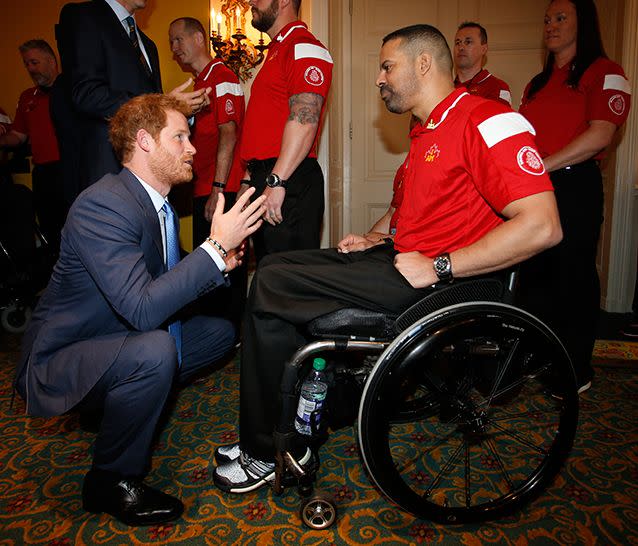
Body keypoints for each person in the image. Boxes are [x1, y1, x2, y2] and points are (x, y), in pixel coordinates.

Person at [212, 23, 563, 494]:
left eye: (386, 66)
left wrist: (440, 265)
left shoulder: (489, 119)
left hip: (444, 283)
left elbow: (543, 225)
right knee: (273, 269)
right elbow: (420, 218)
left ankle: (265, 452)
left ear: (422, 64)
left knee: (272, 285)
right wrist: (377, 238)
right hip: (401, 261)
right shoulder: (427, 132)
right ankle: (285, 432)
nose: (379, 78)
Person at [14, 94, 267, 526]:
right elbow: (145, 309)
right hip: (62, 354)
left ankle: (119, 401)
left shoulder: (156, 205)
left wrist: (217, 263)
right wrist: (215, 247)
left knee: (219, 334)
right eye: (181, 137)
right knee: (155, 352)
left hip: (114, 333)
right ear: (146, 141)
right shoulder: (105, 204)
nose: (192, 148)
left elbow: (165, 285)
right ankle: (110, 481)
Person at [517, 0, 631, 393]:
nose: (551, 25)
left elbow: (601, 134)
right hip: (536, 184)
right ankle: (540, 355)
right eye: (547, 19)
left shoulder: (606, 72)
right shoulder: (537, 83)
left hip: (573, 183)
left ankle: (576, 368)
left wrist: (542, 166)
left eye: (561, 18)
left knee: (573, 274)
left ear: (584, 23)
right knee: (534, 274)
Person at [53, 0, 212, 201]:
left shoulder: (148, 44)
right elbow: (86, 93)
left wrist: (179, 110)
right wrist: (163, 104)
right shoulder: (83, 16)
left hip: (150, 178)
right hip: (107, 170)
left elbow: (153, 112)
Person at [238, 0, 333, 263]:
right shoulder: (277, 50)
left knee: (289, 282)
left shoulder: (305, 46)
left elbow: (305, 119)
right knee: (270, 274)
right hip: (268, 177)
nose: (251, 3)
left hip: (287, 180)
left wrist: (277, 181)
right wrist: (248, 181)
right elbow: (264, 126)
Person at [169, 17, 247, 328]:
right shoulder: (200, 83)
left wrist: (217, 188)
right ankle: (214, 328)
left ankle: (228, 331)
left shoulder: (222, 76)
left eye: (179, 39)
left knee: (225, 264)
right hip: (202, 185)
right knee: (208, 264)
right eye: (171, 43)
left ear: (199, 38)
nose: (175, 49)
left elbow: (229, 134)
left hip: (220, 188)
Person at [0, 40, 66, 255]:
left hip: (68, 169)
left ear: (51, 61)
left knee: (76, 227)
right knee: (51, 228)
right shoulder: (27, 97)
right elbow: (18, 136)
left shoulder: (71, 89)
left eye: (34, 62)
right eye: (26, 64)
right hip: (43, 174)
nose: (30, 69)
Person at [453, 22, 512, 106]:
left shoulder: (497, 87)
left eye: (468, 42)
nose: (461, 47)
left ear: (484, 49)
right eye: (457, 43)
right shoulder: (446, 88)